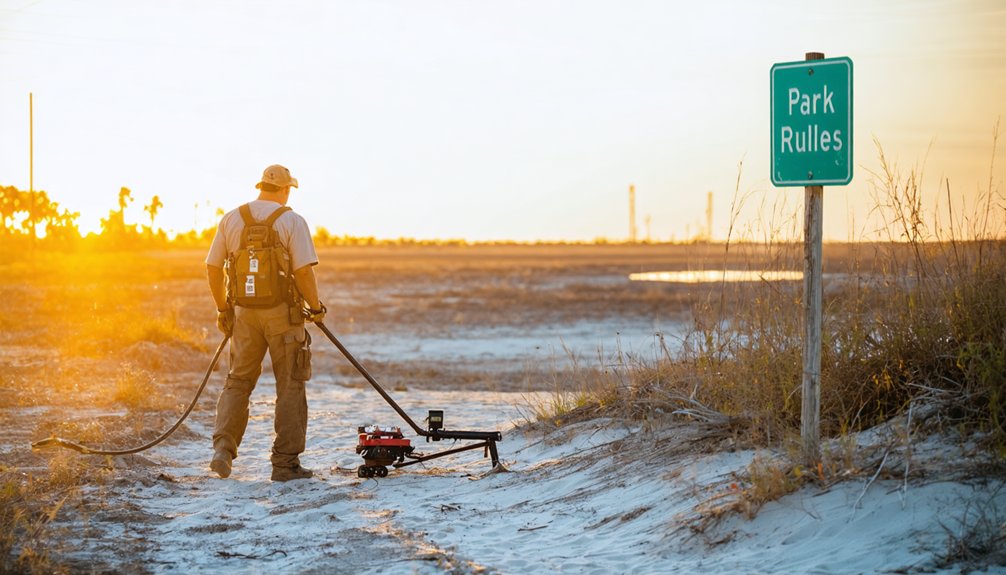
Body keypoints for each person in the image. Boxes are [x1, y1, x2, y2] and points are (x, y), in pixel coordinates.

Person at [204, 164, 326, 482]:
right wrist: (316, 307)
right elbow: (303, 272)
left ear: (261, 186)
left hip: (244, 315)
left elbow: (213, 268)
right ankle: (285, 464)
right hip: (283, 317)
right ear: (286, 189)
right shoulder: (292, 220)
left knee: (237, 382)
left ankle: (223, 451)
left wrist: (223, 309)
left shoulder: (231, 218)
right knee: (289, 385)